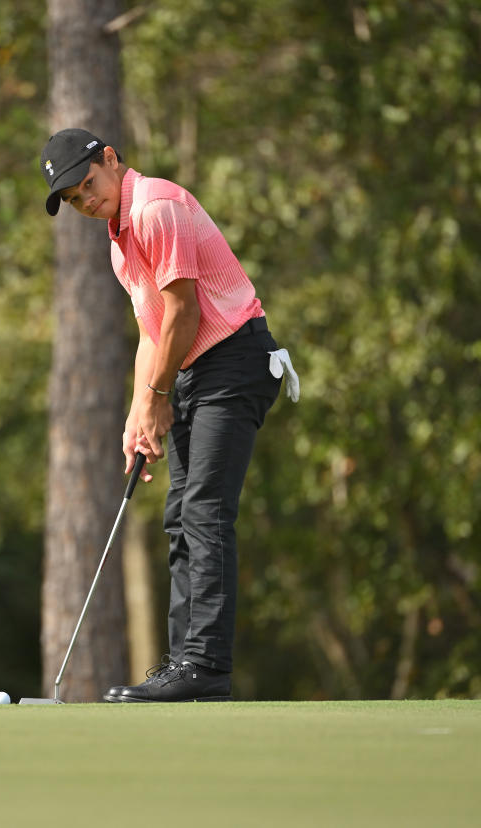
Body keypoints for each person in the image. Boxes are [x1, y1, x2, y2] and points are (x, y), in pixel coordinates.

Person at [39, 128, 298, 703]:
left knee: (205, 510)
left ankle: (204, 666)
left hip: (234, 358)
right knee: (181, 514)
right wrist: (139, 414)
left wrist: (158, 398)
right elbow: (152, 331)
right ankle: (185, 662)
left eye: (88, 185)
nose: (86, 201)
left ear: (110, 160)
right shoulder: (119, 238)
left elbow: (185, 310)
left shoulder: (155, 209)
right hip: (190, 368)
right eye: (75, 199)